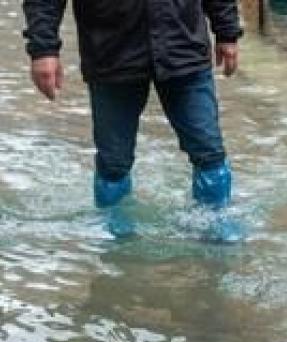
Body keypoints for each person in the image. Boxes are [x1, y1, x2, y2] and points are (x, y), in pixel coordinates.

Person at [22, 0, 243, 240]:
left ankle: (216, 230)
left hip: (184, 49)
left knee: (209, 152)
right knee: (113, 163)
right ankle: (117, 240)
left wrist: (227, 31)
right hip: (112, 54)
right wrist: (43, 50)